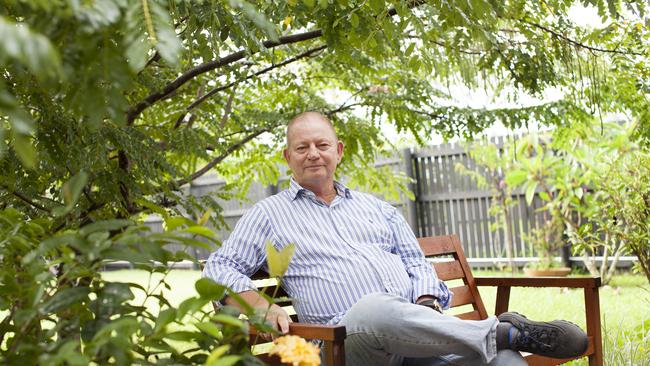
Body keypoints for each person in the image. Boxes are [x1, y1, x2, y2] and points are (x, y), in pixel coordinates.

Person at [202, 112, 588, 365]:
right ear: (288, 157)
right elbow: (219, 267)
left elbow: (415, 262)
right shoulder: (269, 214)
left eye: (322, 145)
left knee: (506, 361)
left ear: (338, 151)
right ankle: (504, 330)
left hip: (417, 336)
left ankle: (504, 337)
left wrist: (422, 302)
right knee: (372, 309)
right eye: (302, 148)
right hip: (344, 345)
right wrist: (258, 304)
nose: (313, 154)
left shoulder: (378, 208)